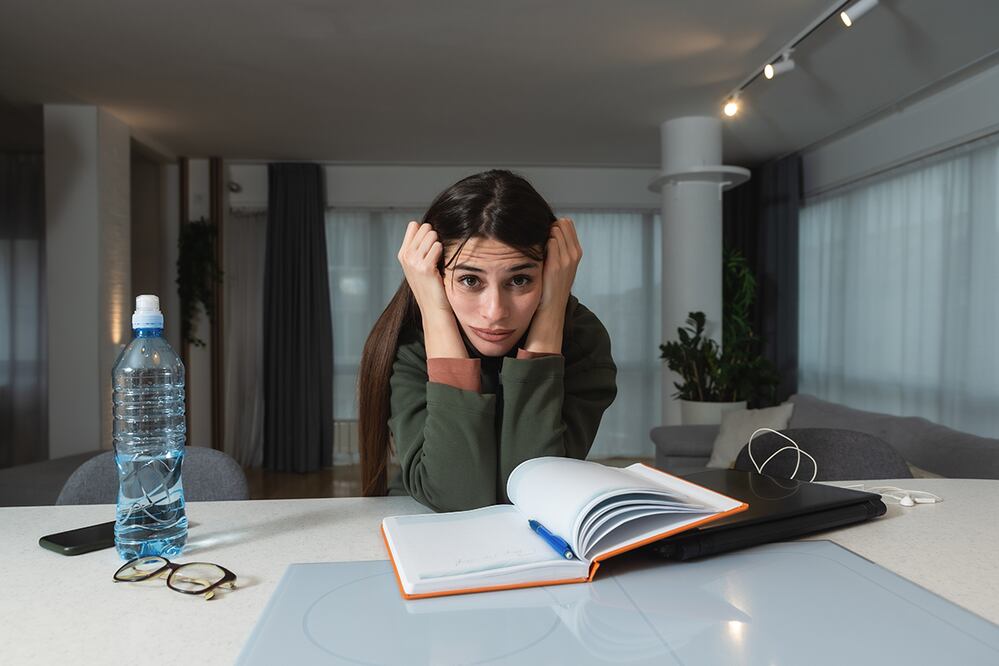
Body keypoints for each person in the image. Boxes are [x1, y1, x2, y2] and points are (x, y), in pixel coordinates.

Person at [358, 170, 617, 511]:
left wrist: (551, 313)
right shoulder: (410, 343)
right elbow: (454, 496)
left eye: (520, 279)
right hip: (419, 526)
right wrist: (435, 313)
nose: (495, 312)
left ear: (553, 273)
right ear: (434, 275)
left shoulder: (581, 339)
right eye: (469, 280)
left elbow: (534, 490)